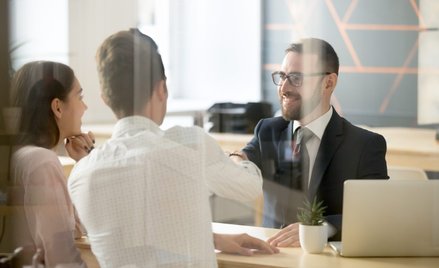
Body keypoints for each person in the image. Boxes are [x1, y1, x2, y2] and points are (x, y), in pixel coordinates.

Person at [67, 29, 278, 268]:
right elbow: (250, 187)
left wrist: (212, 239)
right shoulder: (188, 144)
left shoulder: (81, 175)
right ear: (161, 89)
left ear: (105, 98)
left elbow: (136, 240)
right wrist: (239, 157)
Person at [241, 38, 388, 247]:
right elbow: (244, 159)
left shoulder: (365, 145)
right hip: (272, 256)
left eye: (296, 78)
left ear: (328, 83)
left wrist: (320, 227)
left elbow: (376, 213)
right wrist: (236, 158)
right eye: (282, 76)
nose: (284, 87)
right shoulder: (268, 130)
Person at [8, 61, 94, 267]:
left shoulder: (24, 155)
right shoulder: (42, 162)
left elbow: (76, 230)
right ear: (57, 107)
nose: (85, 107)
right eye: (79, 97)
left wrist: (83, 163)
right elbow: (62, 258)